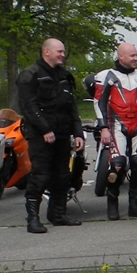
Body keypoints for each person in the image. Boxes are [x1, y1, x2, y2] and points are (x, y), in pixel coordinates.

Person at [16, 38, 84, 233]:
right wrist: (45, 130)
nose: (63, 55)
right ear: (46, 52)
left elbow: (71, 107)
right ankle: (33, 219)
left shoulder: (64, 76)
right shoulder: (30, 75)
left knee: (63, 176)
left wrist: (78, 132)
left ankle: (58, 214)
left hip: (62, 134)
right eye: (59, 51)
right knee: (40, 176)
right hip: (40, 136)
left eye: (63, 51)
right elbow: (28, 106)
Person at [91, 41, 137, 220]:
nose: (135, 58)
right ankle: (112, 204)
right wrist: (103, 127)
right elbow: (99, 102)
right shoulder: (105, 75)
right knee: (117, 164)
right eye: (132, 55)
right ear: (120, 56)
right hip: (116, 124)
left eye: (136, 55)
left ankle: (134, 205)